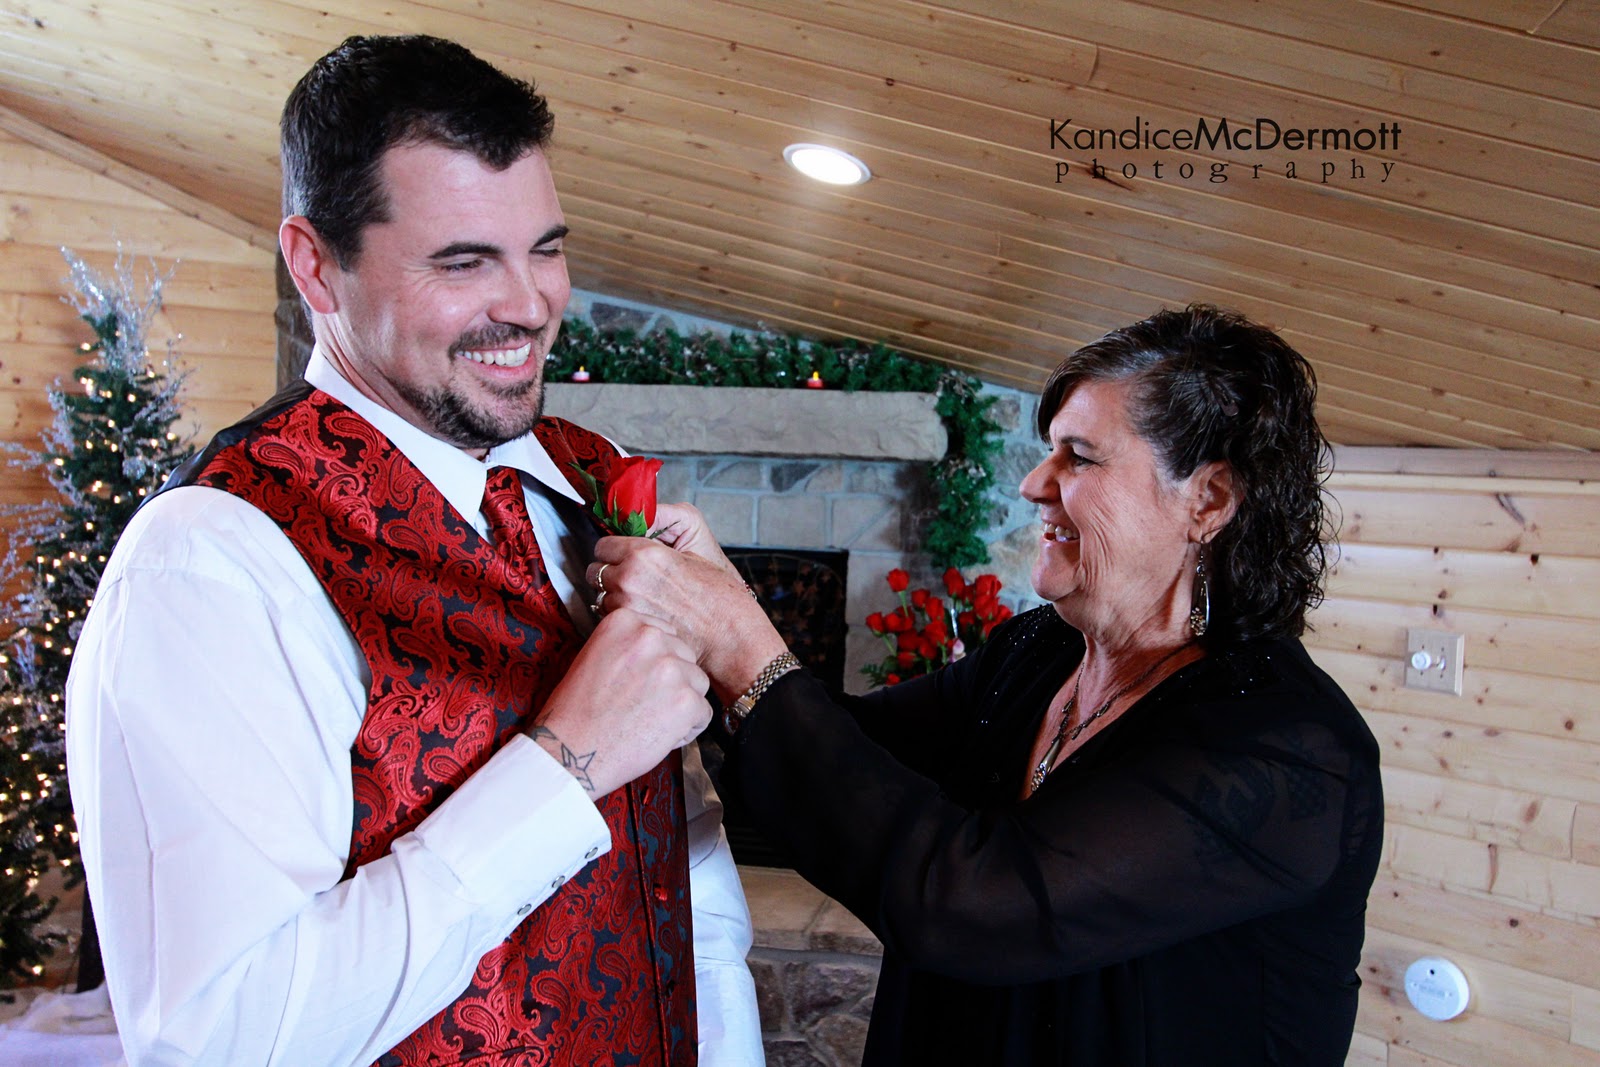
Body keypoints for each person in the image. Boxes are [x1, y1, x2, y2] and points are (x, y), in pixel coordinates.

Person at [65, 35, 762, 1066]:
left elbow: (689, 886)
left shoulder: (587, 478)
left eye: (545, 248)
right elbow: (221, 1035)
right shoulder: (212, 561)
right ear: (316, 263)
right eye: (464, 261)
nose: (530, 305)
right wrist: (564, 765)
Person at [595, 304, 1384, 1065]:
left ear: (1206, 500)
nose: (1035, 483)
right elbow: (846, 748)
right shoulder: (1041, 651)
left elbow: (976, 903)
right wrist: (715, 601)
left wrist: (739, 639)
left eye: (1079, 456)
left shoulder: (1286, 749)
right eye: (1050, 451)